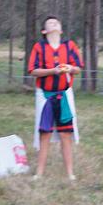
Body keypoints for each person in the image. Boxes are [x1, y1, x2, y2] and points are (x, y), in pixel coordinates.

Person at [28, 16, 83, 181]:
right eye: (50, 22)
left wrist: (69, 68)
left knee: (66, 133)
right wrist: (53, 71)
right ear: (44, 31)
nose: (54, 23)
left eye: (57, 22)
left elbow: (78, 68)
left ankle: (70, 173)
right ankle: (39, 173)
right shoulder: (39, 47)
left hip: (65, 94)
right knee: (45, 133)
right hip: (44, 96)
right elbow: (33, 70)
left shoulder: (69, 46)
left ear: (61, 29)